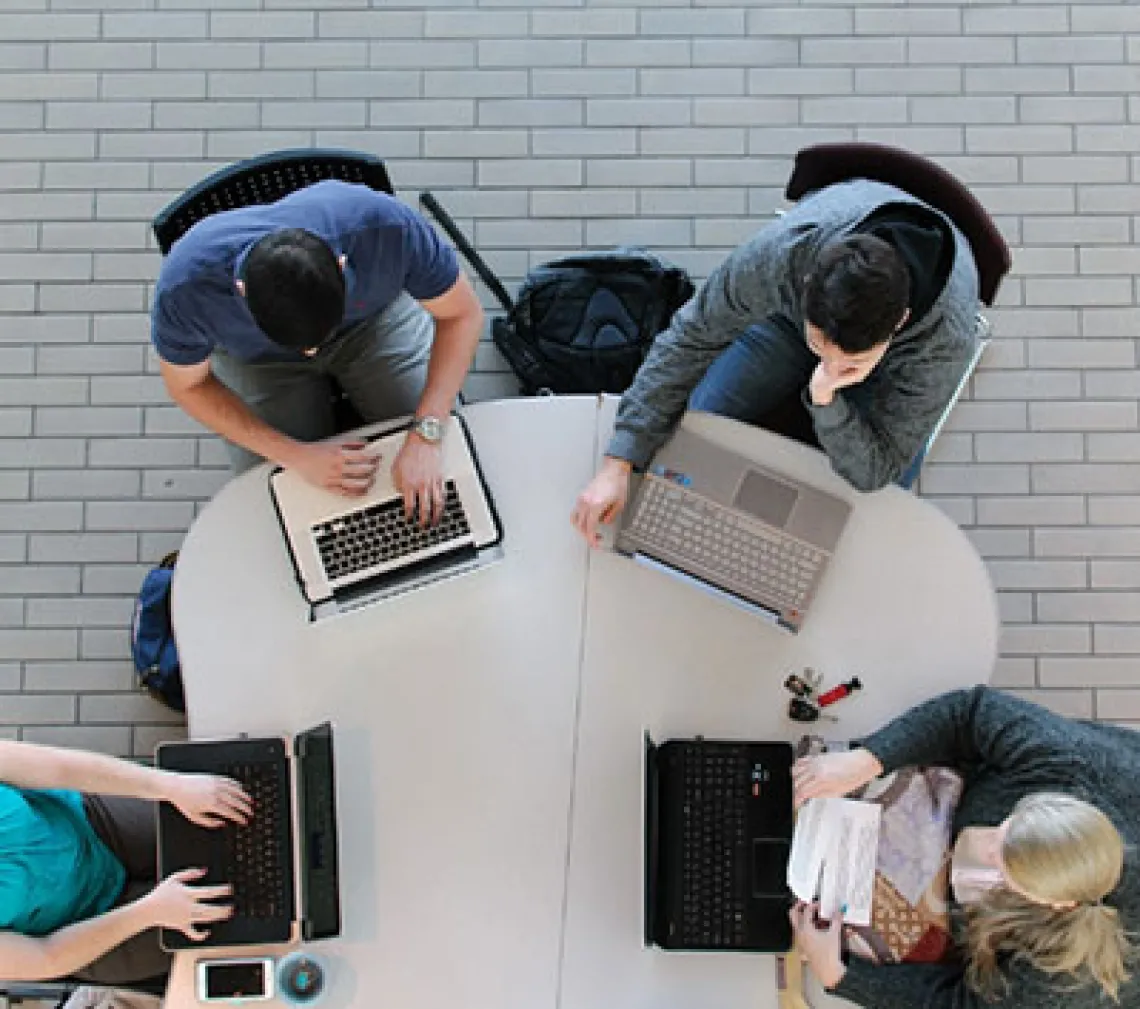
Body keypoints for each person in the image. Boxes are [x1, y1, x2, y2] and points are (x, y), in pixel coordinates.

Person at [571, 178, 981, 545]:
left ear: (900, 323)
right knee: (696, 425)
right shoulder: (781, 256)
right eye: (820, 345)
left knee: (866, 510)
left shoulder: (944, 343)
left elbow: (878, 467)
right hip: (788, 326)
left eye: (846, 359)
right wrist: (618, 462)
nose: (828, 361)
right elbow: (690, 338)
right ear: (805, 287)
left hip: (896, 367)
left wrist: (826, 397)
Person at [153, 179, 484, 521]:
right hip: (261, 363)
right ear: (241, 290)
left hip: (372, 327)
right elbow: (189, 385)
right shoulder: (185, 288)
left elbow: (463, 315)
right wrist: (295, 456)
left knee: (444, 453)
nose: (312, 352)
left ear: (341, 265)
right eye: (304, 345)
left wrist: (426, 435)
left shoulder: (388, 228)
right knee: (272, 496)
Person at [789, 686, 1139, 1008]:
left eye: (1002, 866)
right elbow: (970, 714)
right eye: (1005, 827)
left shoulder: (1066, 978)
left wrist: (840, 975)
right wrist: (865, 761)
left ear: (1056, 904)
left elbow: (960, 1004)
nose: (986, 845)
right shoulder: (1071, 763)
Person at [0, 739, 251, 986]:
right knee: (246, 918)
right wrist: (150, 912)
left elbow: (58, 767)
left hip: (92, 823)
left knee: (231, 821)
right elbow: (47, 957)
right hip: (93, 925)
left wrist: (171, 785)